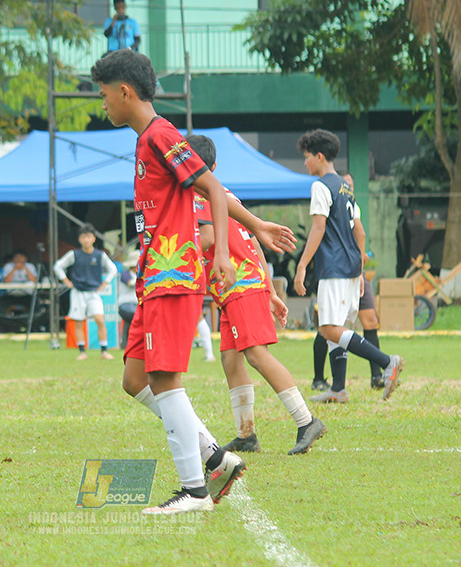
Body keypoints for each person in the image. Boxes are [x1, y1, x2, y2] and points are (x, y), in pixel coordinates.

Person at [90, 48, 298, 515]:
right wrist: (259, 224)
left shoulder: (161, 134)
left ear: (125, 92)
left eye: (104, 96)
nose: (102, 104)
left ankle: (195, 491)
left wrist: (224, 249)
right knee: (134, 378)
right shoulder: (147, 139)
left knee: (165, 380)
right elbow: (210, 188)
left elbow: (211, 190)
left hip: (175, 275)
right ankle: (214, 456)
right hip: (154, 278)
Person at [187, 134, 326, 456]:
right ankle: (246, 434)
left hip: (240, 287)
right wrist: (270, 290)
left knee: (256, 355)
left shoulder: (200, 198)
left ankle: (306, 421)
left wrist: (171, 258)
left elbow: (207, 236)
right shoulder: (225, 193)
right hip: (241, 288)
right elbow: (251, 237)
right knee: (230, 359)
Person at [294, 129, 404, 403]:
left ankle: (388, 361)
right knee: (340, 327)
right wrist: (358, 258)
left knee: (329, 328)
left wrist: (301, 266)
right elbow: (360, 231)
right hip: (352, 269)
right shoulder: (346, 187)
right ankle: (339, 389)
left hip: (333, 269)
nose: (305, 163)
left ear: (319, 156)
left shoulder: (320, 186)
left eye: (307, 157)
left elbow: (318, 228)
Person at [311, 173, 384, 391]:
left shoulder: (349, 203)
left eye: (350, 185)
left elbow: (359, 233)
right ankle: (329, 382)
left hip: (350, 271)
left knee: (341, 325)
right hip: (344, 269)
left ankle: (382, 368)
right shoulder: (332, 197)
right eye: (345, 184)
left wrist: (360, 266)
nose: (347, 188)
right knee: (331, 328)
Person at [54, 225, 119, 361]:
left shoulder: (100, 255)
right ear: (79, 239)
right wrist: (66, 281)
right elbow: (58, 266)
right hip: (78, 292)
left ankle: (104, 350)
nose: (86, 240)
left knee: (100, 320)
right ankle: (82, 351)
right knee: (79, 322)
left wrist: (105, 283)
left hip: (94, 293)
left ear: (93, 239)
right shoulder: (74, 254)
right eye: (83, 237)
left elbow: (112, 269)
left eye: (88, 237)